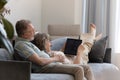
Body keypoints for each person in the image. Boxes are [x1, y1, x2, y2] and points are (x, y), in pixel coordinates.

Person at [14, 19, 95, 80]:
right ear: (24, 34)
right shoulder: (21, 45)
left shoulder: (27, 41)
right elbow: (40, 61)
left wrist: (53, 54)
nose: (34, 32)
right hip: (44, 68)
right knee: (78, 69)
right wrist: (56, 58)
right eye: (31, 31)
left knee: (86, 68)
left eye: (34, 29)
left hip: (50, 64)